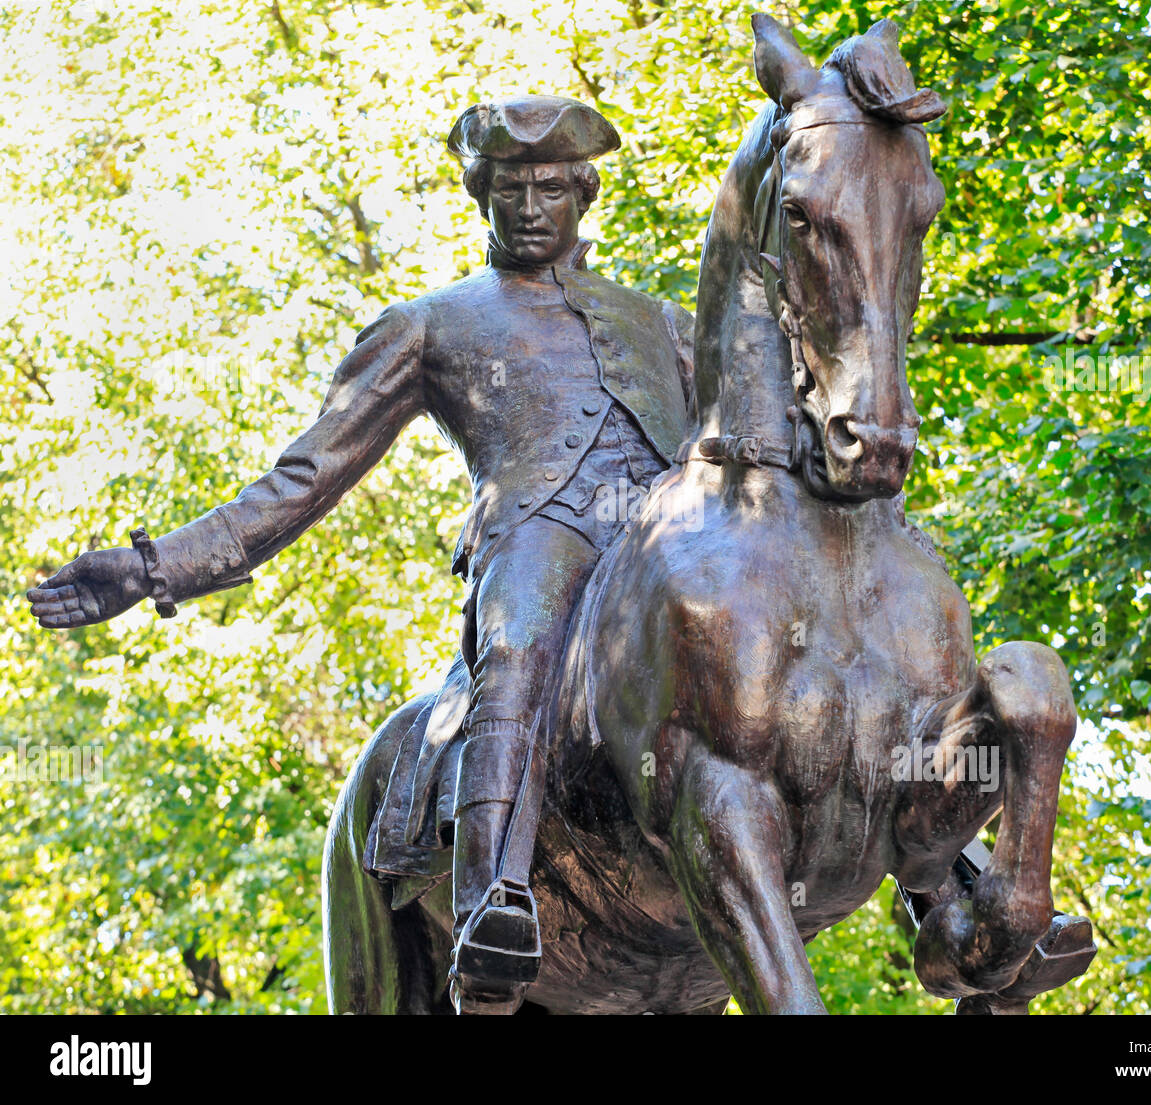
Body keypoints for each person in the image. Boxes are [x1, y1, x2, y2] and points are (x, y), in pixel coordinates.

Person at [27, 94, 695, 1014]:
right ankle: (492, 902)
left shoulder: (663, 322)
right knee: (520, 637)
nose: (533, 205)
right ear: (482, 194)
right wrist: (152, 567)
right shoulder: (431, 324)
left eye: (550, 186)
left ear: (584, 190)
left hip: (676, 552)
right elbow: (302, 478)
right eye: (510, 188)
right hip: (541, 542)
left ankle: (940, 873)